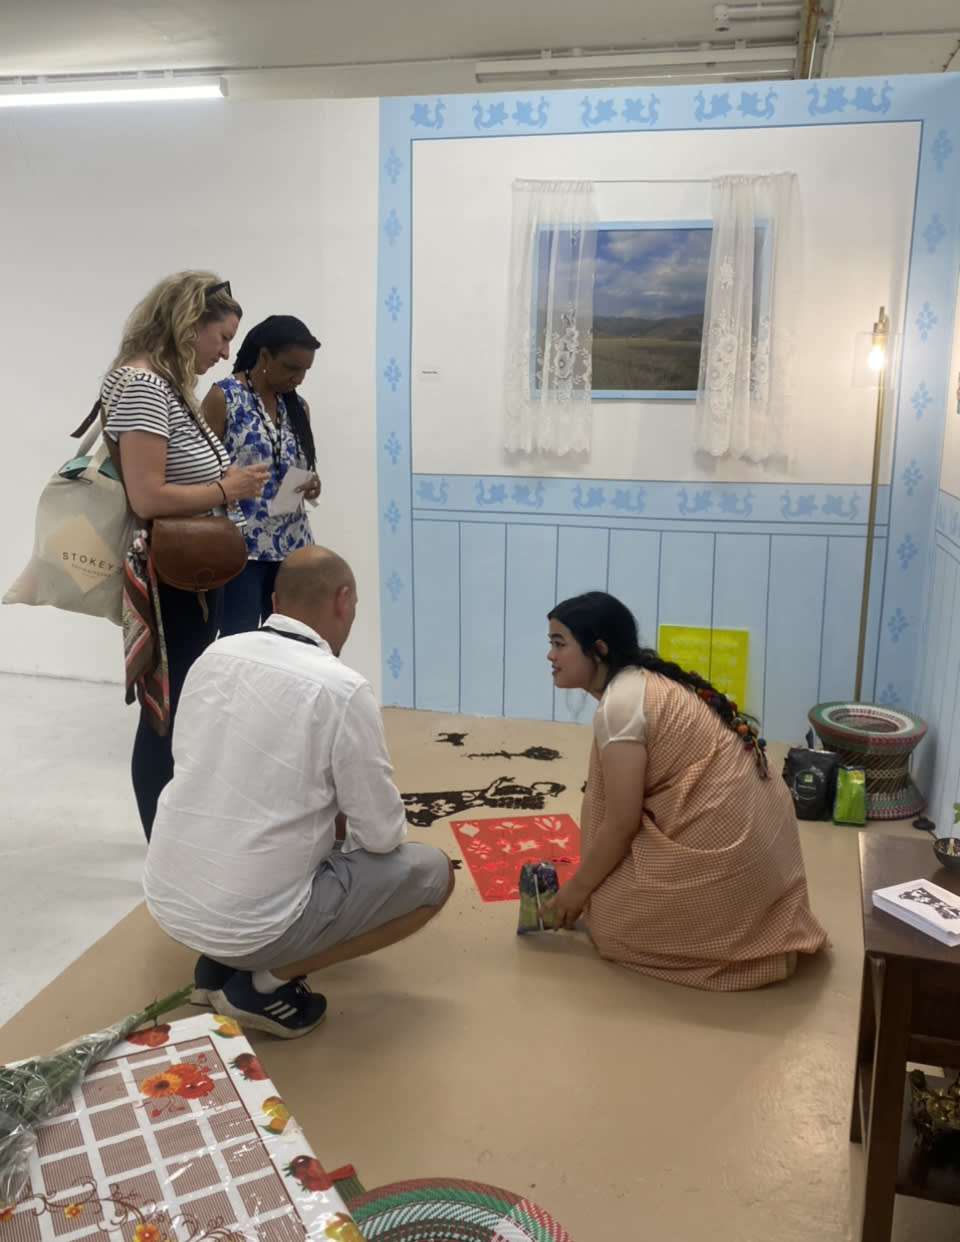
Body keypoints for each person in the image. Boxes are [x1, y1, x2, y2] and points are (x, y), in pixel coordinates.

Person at [143, 545, 455, 1038]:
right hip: (252, 923)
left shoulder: (215, 655)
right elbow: (381, 836)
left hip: (170, 900)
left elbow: (199, 766)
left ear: (274, 600)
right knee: (432, 873)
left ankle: (216, 965)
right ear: (343, 599)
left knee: (268, 809)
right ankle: (263, 983)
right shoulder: (342, 688)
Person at [542, 591, 828, 991]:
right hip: (758, 856)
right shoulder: (642, 682)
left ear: (599, 650)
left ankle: (740, 946)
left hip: (728, 858)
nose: (550, 656)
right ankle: (750, 924)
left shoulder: (621, 705)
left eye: (560, 644)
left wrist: (576, 891)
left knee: (607, 920)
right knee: (601, 888)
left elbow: (622, 823)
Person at [101, 272, 270, 839]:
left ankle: (176, 839)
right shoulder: (144, 387)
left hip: (190, 572)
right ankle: (165, 850)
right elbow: (147, 497)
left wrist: (223, 485)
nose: (225, 353)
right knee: (166, 717)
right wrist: (227, 488)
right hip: (171, 578)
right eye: (221, 338)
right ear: (189, 324)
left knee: (183, 712)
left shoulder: (162, 385)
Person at [201, 315, 322, 635]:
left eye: (305, 371)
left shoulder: (298, 407)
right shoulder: (223, 398)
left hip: (292, 547)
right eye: (291, 368)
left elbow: (300, 465)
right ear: (264, 356)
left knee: (290, 640)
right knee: (238, 640)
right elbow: (199, 471)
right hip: (241, 550)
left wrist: (312, 484)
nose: (298, 378)